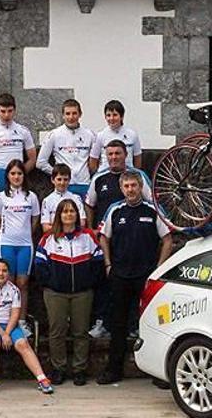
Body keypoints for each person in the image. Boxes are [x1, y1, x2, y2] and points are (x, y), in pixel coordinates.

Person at [96, 170, 172, 385]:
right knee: (118, 325)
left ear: (141, 187)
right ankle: (113, 370)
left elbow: (167, 239)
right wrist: (108, 264)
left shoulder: (153, 210)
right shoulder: (115, 210)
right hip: (120, 275)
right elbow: (103, 237)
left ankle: (159, 374)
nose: (130, 190)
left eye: (134, 186)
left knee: (153, 324)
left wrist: (158, 270)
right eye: (126, 186)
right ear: (122, 189)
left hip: (146, 276)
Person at [85, 139, 152, 339]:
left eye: (118, 153)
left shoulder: (138, 177)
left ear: (126, 155)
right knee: (104, 283)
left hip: (132, 240)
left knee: (134, 286)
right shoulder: (99, 178)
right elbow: (90, 204)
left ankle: (135, 326)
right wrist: (91, 230)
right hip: (106, 239)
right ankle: (102, 322)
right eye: (110, 154)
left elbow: (151, 202)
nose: (114, 157)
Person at [35, 199, 103, 387]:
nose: (69, 214)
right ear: (59, 215)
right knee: (56, 332)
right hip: (56, 293)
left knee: (81, 331)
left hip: (82, 292)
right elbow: (40, 265)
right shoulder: (49, 238)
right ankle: (59, 368)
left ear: (77, 214)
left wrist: (89, 282)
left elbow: (98, 261)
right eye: (65, 211)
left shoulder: (88, 236)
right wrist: (51, 284)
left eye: (72, 211)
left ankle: (79, 369)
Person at [0, 258, 52, 395]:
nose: (1, 274)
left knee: (23, 344)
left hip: (10, 325)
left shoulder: (14, 290)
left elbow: (15, 314)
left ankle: (42, 379)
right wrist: (2, 334)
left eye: (4, 271)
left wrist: (7, 332)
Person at [0, 159, 40, 337]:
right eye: (13, 173)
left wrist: (25, 234)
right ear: (8, 176)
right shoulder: (1, 196)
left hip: (25, 245)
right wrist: (4, 234)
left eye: (19, 173)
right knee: (7, 282)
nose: (16, 176)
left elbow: (35, 220)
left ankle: (21, 321)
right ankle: (5, 320)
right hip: (6, 244)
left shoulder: (32, 197)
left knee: (23, 284)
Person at [0, 93, 36, 192]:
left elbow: (32, 158)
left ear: (15, 110)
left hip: (17, 171)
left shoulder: (23, 131)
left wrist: (21, 172)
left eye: (10, 111)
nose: (6, 115)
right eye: (3, 111)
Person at [36, 99, 95, 196]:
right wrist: (58, 174)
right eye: (68, 114)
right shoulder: (54, 134)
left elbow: (98, 159)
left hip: (85, 184)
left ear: (80, 114)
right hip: (64, 186)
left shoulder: (90, 135)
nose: (71, 117)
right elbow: (40, 162)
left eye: (74, 113)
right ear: (63, 115)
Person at [89, 100, 143, 173]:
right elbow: (93, 160)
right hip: (106, 175)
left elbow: (138, 159)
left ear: (122, 116)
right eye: (108, 115)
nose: (111, 118)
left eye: (115, 115)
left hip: (127, 176)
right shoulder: (100, 135)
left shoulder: (132, 134)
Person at [40, 163, 86, 233]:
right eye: (59, 179)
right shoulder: (47, 200)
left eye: (65, 179)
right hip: (54, 239)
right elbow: (45, 228)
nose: (62, 183)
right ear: (52, 180)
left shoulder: (76, 198)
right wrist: (66, 229)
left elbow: (82, 223)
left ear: (69, 180)